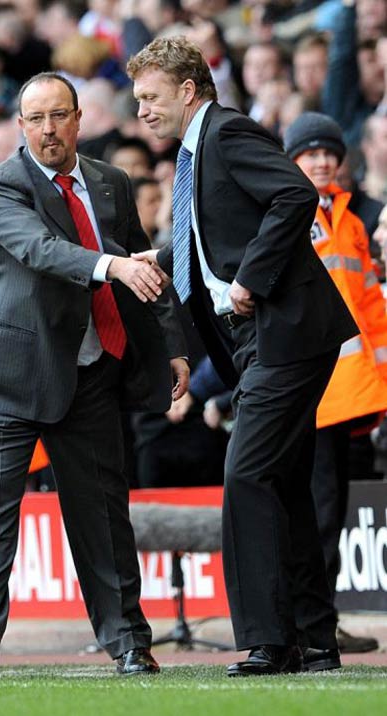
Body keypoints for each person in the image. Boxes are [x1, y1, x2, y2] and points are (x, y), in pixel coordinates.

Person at [0, 71, 189, 680]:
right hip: (8, 374)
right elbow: (42, 250)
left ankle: (129, 642)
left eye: (59, 116)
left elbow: (145, 272)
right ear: (21, 128)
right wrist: (112, 267)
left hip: (89, 372)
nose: (48, 130)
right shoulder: (0, 186)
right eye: (36, 120)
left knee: (103, 511)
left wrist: (174, 346)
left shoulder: (112, 183)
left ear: (79, 119)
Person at [127, 36, 358, 676]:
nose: (141, 109)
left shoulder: (225, 133)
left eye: (150, 97)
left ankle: (268, 639)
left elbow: (294, 196)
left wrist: (253, 279)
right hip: (267, 339)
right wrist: (161, 259)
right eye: (136, 98)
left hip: (285, 331)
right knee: (280, 485)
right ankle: (314, 639)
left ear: (187, 89)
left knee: (247, 475)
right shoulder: (196, 152)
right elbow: (214, 236)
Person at [285, 111, 387, 654]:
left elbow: (370, 308)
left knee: (330, 511)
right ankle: (310, 625)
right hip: (312, 390)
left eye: (329, 152)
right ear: (292, 160)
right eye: (310, 153)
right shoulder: (294, 215)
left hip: (348, 391)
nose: (322, 160)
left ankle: (321, 619)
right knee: (317, 512)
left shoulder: (346, 220)